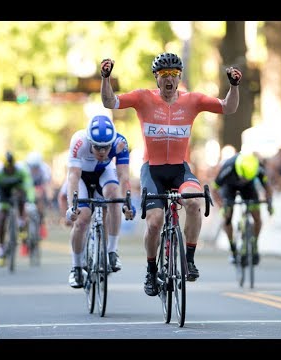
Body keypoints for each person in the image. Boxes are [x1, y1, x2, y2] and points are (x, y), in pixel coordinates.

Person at [100, 52, 242, 296]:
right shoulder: (143, 98)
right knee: (154, 221)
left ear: (179, 78)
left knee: (196, 202)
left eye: (174, 74)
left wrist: (234, 85)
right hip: (152, 170)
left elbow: (229, 107)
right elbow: (109, 102)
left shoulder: (192, 100)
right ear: (156, 78)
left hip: (179, 169)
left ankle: (189, 258)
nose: (169, 79)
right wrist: (105, 78)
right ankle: (151, 270)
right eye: (164, 75)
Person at [62, 114, 135, 289]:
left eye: (105, 147)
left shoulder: (120, 143)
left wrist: (127, 201)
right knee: (82, 219)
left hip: (104, 173)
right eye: (97, 147)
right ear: (89, 141)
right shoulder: (79, 141)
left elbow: (124, 175)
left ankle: (112, 251)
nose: (102, 152)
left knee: (114, 196)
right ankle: (77, 267)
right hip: (82, 177)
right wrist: (72, 206)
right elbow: (73, 175)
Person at [211, 152, 274, 266]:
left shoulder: (257, 167)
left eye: (247, 178)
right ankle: (233, 248)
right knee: (227, 217)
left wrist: (270, 203)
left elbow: (267, 187)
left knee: (257, 217)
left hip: (249, 188)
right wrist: (222, 207)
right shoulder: (228, 168)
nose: (244, 180)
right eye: (243, 178)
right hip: (229, 187)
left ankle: (254, 244)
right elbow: (214, 189)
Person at [0, 151, 35, 266]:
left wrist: (31, 201)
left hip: (18, 189)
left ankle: (21, 223)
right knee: (2, 217)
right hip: (3, 191)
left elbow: (29, 187)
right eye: (7, 168)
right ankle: (1, 248)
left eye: (11, 168)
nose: (9, 170)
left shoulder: (21, 169)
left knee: (21, 198)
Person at [24, 151, 52, 240]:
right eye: (32, 166)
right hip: (28, 186)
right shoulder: (24, 169)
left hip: (39, 186)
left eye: (36, 167)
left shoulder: (45, 169)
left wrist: (49, 198)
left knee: (40, 197)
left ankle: (41, 221)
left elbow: (47, 185)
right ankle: (24, 231)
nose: (34, 169)